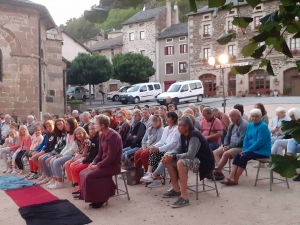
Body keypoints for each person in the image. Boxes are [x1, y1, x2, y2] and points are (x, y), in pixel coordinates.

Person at [161, 116, 215, 208]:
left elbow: (190, 155)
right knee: (167, 160)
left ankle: (184, 197)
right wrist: (170, 156)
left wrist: (173, 156)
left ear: (186, 126)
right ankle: (176, 189)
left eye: (179, 125)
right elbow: (179, 149)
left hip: (204, 161)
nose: (177, 127)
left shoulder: (194, 135)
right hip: (194, 158)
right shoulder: (183, 134)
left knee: (180, 163)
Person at [79, 114, 123, 209]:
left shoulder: (113, 136)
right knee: (83, 172)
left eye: (95, 124)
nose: (94, 126)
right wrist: (93, 162)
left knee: (90, 175)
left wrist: (98, 166)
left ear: (102, 125)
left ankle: (100, 199)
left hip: (113, 165)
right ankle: (97, 197)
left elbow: (111, 157)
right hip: (104, 164)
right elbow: (99, 153)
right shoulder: (101, 134)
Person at [220, 109, 271, 186]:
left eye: (257, 116)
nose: (254, 118)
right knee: (238, 155)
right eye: (253, 116)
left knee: (244, 157)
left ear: (260, 117)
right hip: (251, 149)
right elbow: (246, 138)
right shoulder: (250, 125)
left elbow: (259, 142)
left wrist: (247, 150)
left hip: (261, 151)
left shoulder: (263, 126)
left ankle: (235, 179)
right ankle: (231, 177)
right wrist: (244, 149)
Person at [140, 112, 180, 188]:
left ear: (174, 119)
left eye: (168, 117)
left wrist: (158, 149)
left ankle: (154, 176)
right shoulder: (166, 128)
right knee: (153, 152)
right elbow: (162, 141)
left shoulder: (176, 129)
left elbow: (173, 144)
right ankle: (150, 174)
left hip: (172, 150)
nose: (166, 119)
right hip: (164, 149)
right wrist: (154, 147)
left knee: (157, 153)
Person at [213, 109, 248, 180]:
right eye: (230, 117)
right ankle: (219, 171)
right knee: (215, 152)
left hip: (240, 147)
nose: (231, 118)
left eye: (233, 116)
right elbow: (227, 136)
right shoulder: (231, 124)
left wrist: (229, 146)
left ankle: (216, 170)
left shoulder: (244, 125)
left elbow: (241, 140)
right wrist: (225, 145)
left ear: (239, 116)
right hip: (230, 145)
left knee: (226, 153)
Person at [48, 118, 78, 189]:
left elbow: (73, 148)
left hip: (74, 154)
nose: (65, 125)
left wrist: (63, 155)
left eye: (67, 124)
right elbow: (67, 146)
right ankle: (56, 180)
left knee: (56, 162)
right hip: (68, 153)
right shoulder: (68, 134)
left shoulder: (75, 134)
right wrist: (61, 154)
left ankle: (60, 182)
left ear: (72, 125)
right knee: (52, 160)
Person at [71, 123, 99, 194]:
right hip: (90, 160)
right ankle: (81, 187)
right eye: (90, 129)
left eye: (93, 129)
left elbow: (96, 154)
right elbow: (91, 154)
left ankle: (83, 188)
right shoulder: (92, 139)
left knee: (77, 169)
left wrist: (88, 161)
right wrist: (85, 161)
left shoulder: (97, 139)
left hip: (95, 162)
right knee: (75, 168)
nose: (91, 131)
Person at [39, 119, 66, 185]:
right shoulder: (57, 134)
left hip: (62, 152)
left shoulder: (61, 134)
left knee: (47, 160)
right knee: (43, 159)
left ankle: (55, 178)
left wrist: (53, 152)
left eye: (50, 126)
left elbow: (64, 146)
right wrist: (52, 152)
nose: (49, 128)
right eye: (58, 125)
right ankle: (50, 176)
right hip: (55, 151)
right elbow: (56, 146)